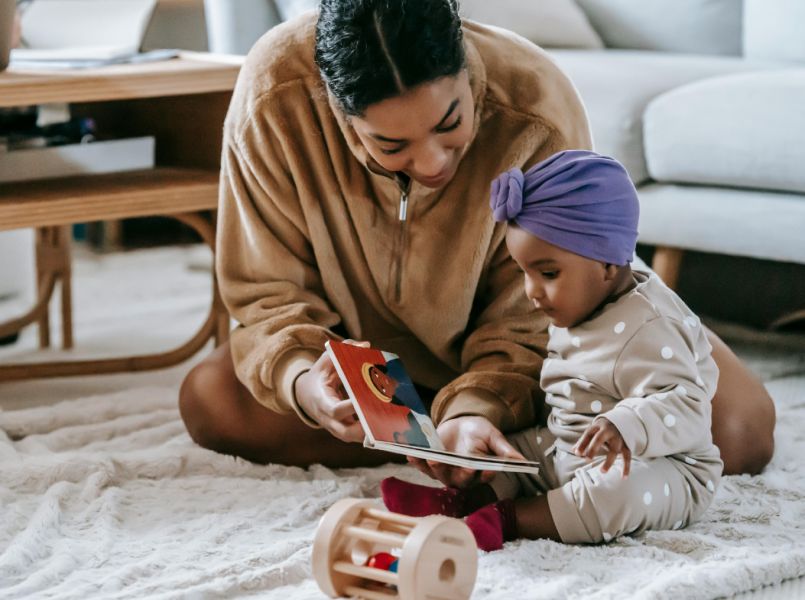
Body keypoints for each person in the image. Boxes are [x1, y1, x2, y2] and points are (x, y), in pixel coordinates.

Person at [178, 0, 774, 477]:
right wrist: (307, 384)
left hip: (540, 352)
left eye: (450, 123)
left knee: (737, 431)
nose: (432, 162)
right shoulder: (275, 95)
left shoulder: (535, 101)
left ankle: (485, 434)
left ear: (465, 61)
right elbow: (266, 293)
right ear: (337, 107)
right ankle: (491, 447)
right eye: (391, 146)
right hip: (369, 356)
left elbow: (540, 313)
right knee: (212, 401)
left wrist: (478, 405)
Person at [382, 150, 723, 550]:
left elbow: (689, 406)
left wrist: (627, 424)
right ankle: (465, 501)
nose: (531, 291)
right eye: (523, 272)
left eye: (547, 273)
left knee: (615, 494)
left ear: (607, 264)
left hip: (663, 466)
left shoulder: (651, 325)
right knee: (511, 455)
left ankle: (509, 520)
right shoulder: (579, 301)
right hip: (571, 444)